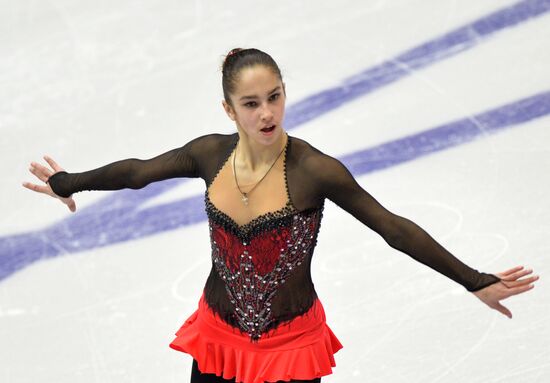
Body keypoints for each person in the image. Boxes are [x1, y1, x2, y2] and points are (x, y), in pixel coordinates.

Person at [22, 48, 538, 383]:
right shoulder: (208, 155)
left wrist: (474, 280)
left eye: (274, 97)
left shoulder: (315, 171)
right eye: (251, 103)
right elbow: (137, 172)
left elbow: (393, 228)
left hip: (290, 349)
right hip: (218, 339)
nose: (266, 113)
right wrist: (66, 183)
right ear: (229, 110)